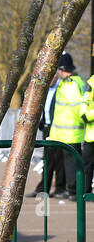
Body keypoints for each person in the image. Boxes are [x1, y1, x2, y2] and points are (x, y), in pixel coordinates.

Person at [40, 53, 86, 199]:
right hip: (63, 133)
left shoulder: (72, 84)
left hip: (70, 133)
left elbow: (78, 108)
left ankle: (73, 190)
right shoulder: (70, 83)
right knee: (68, 165)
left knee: (72, 165)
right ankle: (70, 189)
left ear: (61, 69)